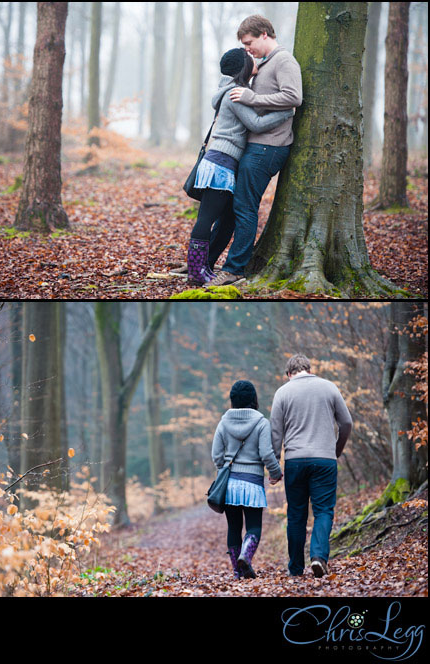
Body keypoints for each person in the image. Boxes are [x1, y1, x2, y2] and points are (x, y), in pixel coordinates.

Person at [185, 48, 295, 285]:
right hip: (221, 162)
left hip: (219, 160)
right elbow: (255, 124)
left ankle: (201, 266)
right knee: (206, 218)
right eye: (250, 59)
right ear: (244, 67)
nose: (256, 61)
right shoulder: (236, 94)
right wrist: (286, 112)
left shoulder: (228, 91)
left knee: (224, 218)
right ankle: (196, 272)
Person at [209, 15, 303, 287]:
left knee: (244, 207)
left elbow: (294, 97)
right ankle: (204, 262)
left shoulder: (284, 61)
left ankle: (235, 269)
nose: (247, 49)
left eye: (249, 43)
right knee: (230, 208)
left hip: (268, 147)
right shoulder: (264, 64)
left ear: (264, 34)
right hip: (253, 145)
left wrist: (252, 97)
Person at [271, 354, 353, 578]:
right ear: (309, 368)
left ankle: (296, 569)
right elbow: (346, 422)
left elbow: (275, 433)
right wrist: (336, 450)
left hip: (295, 461)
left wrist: (274, 467)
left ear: (289, 373)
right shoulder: (329, 387)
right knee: (324, 511)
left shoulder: (282, 392)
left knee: (296, 515)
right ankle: (318, 557)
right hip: (324, 460)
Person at [211, 380, 283, 579]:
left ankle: (237, 570)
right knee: (254, 526)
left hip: (229, 484)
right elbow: (267, 454)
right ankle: (246, 555)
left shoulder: (223, 422)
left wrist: (223, 469)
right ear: (254, 399)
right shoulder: (261, 423)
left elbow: (216, 455)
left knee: (233, 527)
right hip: (252, 483)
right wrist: (276, 472)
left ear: (232, 400)